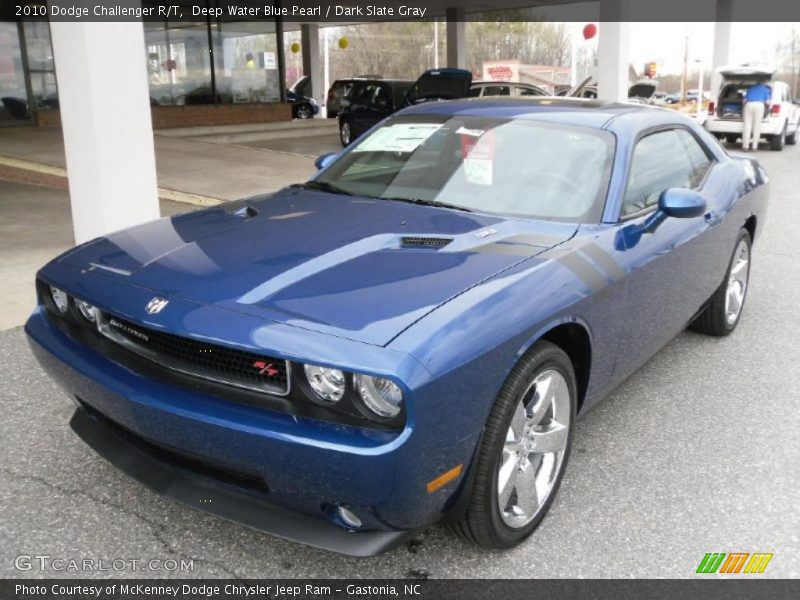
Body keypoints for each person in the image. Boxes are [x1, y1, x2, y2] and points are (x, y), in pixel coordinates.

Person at [742, 82, 771, 151]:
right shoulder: (765, 89)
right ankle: (754, 147)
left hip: (749, 104)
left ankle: (745, 146)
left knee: (747, 125)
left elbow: (744, 101)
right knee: (757, 126)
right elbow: (767, 102)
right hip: (759, 105)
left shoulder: (750, 88)